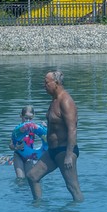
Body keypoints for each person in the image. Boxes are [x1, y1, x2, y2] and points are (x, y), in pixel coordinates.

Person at [28, 71, 83, 202]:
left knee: (73, 187)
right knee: (32, 176)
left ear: (56, 83)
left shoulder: (66, 101)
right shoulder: (54, 100)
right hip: (52, 151)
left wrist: (69, 155)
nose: (44, 85)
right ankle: (38, 206)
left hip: (65, 151)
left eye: (46, 83)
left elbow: (72, 129)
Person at [9, 105, 44, 181]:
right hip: (19, 155)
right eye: (26, 118)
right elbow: (10, 145)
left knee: (30, 178)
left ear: (33, 117)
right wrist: (16, 147)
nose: (28, 121)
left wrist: (46, 128)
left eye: (30, 118)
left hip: (29, 156)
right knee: (20, 179)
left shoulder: (35, 129)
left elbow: (47, 138)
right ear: (21, 116)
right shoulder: (17, 130)